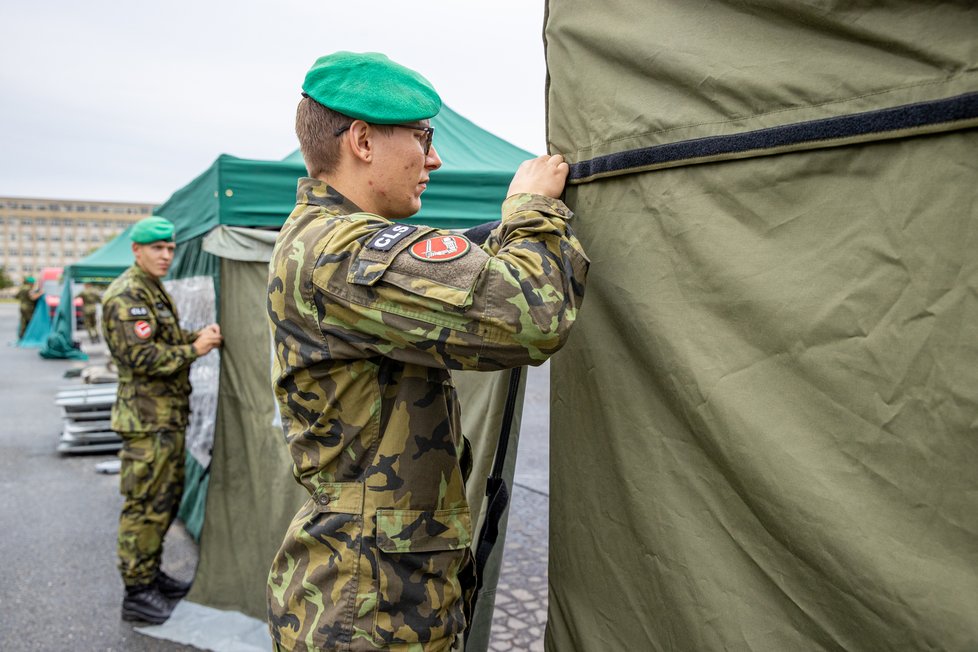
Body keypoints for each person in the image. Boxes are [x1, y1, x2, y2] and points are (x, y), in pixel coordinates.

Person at [266, 52, 589, 652]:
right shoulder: (344, 249)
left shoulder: (323, 239)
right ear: (362, 141)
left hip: (379, 587)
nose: (434, 158)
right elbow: (532, 316)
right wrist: (532, 210)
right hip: (369, 607)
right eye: (422, 137)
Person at [101, 216, 222, 625]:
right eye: (157, 248)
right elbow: (141, 358)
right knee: (145, 507)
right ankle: (136, 592)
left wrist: (193, 336)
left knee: (164, 502)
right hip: (146, 422)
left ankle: (150, 577)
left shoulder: (151, 290)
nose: (166, 255)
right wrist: (197, 350)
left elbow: (162, 340)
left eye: (170, 248)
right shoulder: (127, 294)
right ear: (137, 250)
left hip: (164, 419)